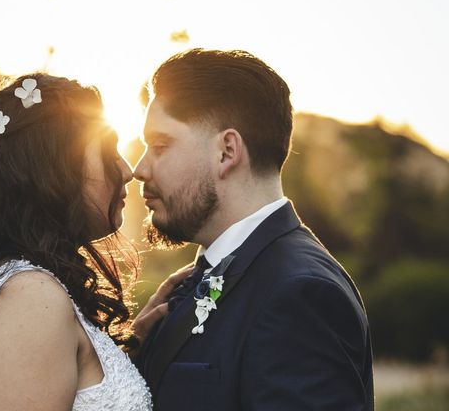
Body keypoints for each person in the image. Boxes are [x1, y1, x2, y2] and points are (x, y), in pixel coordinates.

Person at [133, 49, 374, 410]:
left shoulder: (299, 294)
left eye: (160, 146)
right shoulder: (214, 273)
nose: (140, 168)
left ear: (227, 151)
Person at [0, 74, 159, 410]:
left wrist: (138, 336)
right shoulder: (32, 296)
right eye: (107, 149)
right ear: (54, 166)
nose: (126, 171)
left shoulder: (20, 288)